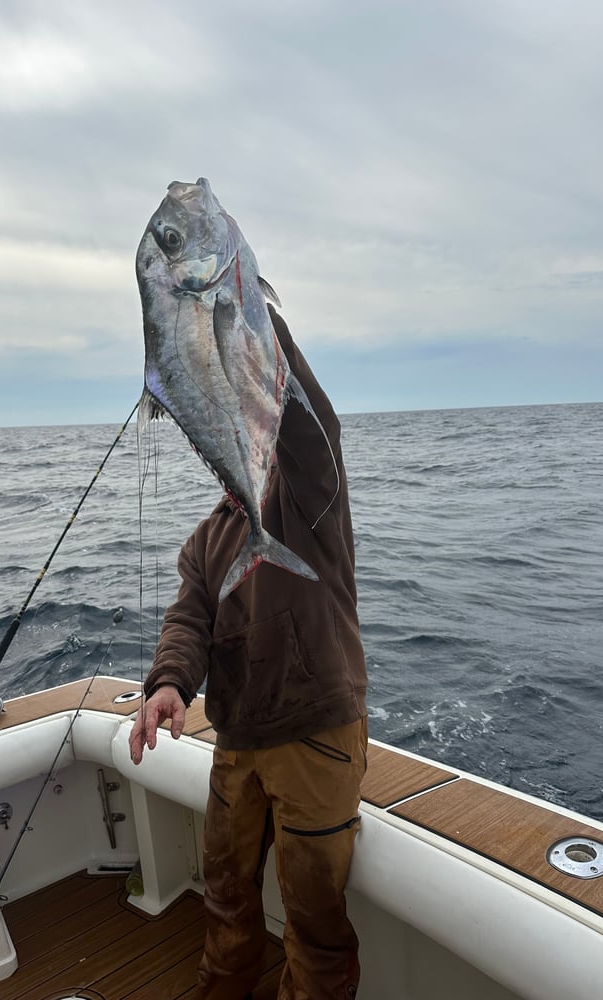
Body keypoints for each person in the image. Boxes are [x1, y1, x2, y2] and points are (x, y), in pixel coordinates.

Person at [129, 305, 369, 1000]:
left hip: (315, 738)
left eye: (251, 420)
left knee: (314, 925)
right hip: (235, 744)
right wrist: (168, 683)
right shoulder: (209, 538)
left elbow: (310, 425)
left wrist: (242, 316)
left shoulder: (312, 499)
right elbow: (189, 618)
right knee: (227, 900)